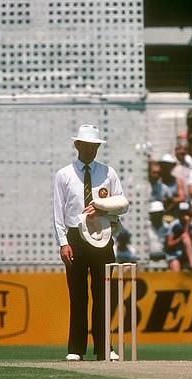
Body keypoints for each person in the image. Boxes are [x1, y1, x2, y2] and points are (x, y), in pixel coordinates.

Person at [53, 124, 124, 362]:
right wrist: (63, 243)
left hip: (102, 235)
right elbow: (58, 212)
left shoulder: (108, 172)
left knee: (103, 295)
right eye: (87, 145)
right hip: (75, 236)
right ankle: (76, 348)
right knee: (78, 295)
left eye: (95, 146)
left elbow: (121, 204)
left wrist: (102, 211)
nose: (91, 150)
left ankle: (105, 348)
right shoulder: (64, 174)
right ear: (77, 145)